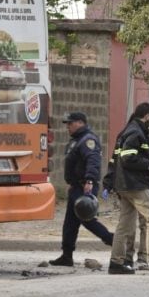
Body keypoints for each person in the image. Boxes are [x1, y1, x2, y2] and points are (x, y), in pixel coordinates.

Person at [109, 102, 149, 274]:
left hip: (123, 184)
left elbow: (119, 158)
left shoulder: (130, 131)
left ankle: (116, 263)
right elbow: (127, 158)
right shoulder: (135, 131)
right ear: (147, 116)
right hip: (134, 184)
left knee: (124, 225)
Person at [49, 112, 113, 267]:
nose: (67, 127)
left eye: (70, 124)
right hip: (76, 186)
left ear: (80, 123)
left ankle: (115, 242)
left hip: (85, 186)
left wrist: (89, 180)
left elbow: (93, 160)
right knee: (70, 223)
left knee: (88, 220)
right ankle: (66, 255)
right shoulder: (76, 141)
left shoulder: (88, 140)